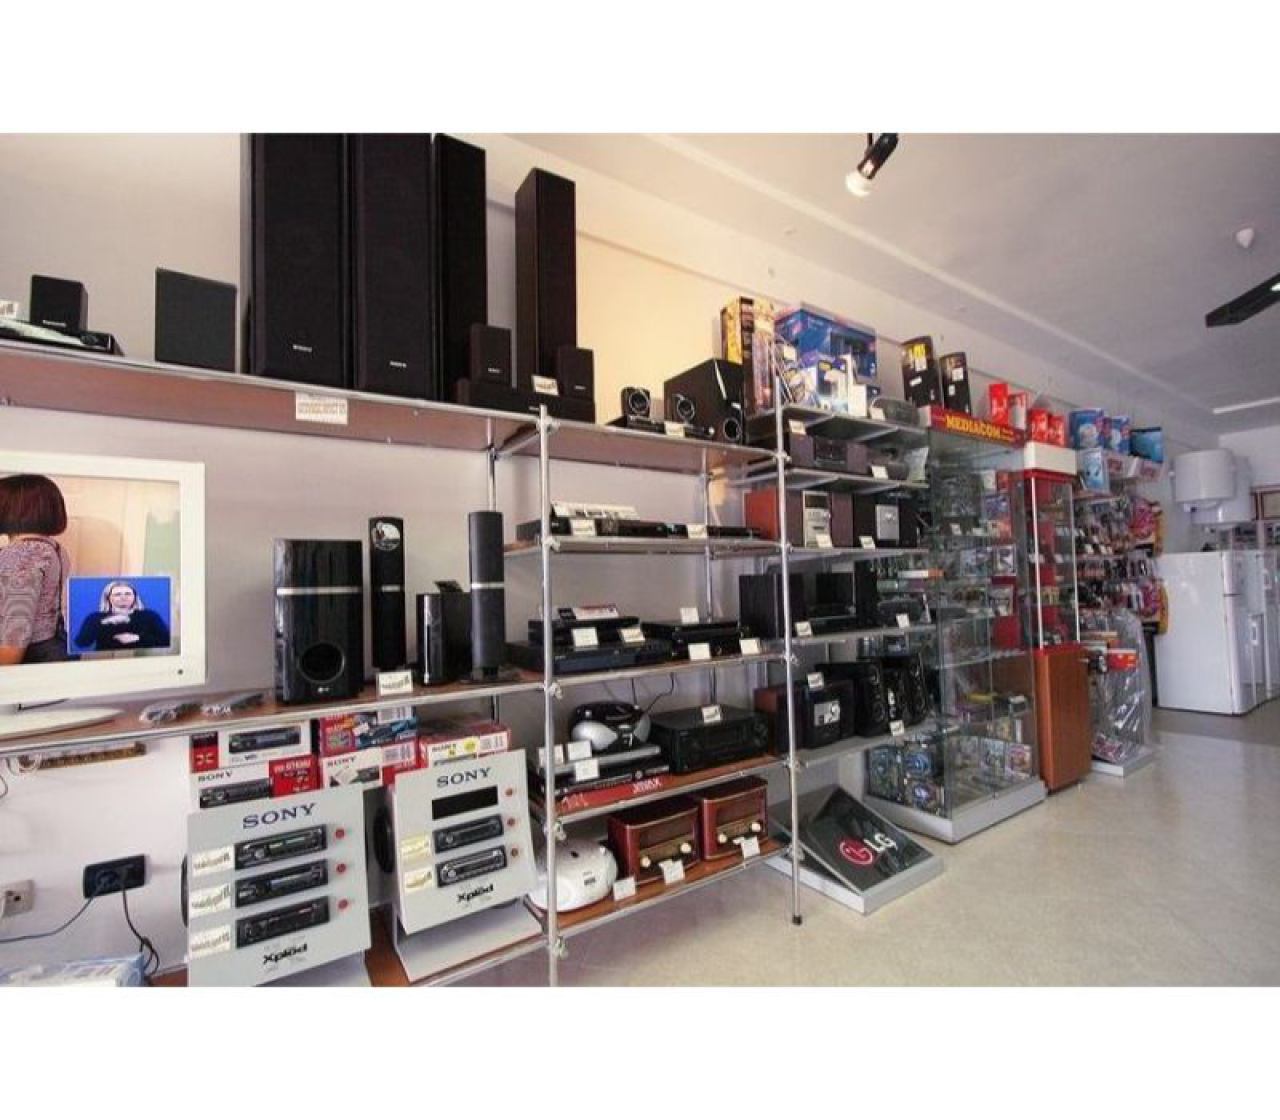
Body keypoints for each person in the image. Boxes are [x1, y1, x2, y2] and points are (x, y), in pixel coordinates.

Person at [0, 473, 74, 665]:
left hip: (26, 655)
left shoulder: (23, 553)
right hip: (52, 646)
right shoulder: (54, 548)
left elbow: (15, 631)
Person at [74, 581, 171, 653]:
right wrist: (104, 622)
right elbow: (81, 643)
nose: (123, 597)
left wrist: (138, 638)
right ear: (108, 598)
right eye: (117, 594)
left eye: (128, 594)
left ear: (135, 597)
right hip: (106, 663)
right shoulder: (95, 618)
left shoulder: (149, 616)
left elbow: (166, 640)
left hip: (139, 661)